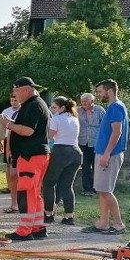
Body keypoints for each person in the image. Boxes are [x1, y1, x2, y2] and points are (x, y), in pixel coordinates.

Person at [0, 77, 51, 241]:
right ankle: (38, 226)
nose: (15, 94)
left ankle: (25, 230)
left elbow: (28, 130)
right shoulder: (34, 104)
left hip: (31, 155)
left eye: (17, 91)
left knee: (27, 192)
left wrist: (7, 124)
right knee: (34, 192)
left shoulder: (34, 105)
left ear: (25, 89)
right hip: (35, 155)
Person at [82, 79, 128, 235]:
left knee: (106, 191)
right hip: (104, 152)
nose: (99, 94)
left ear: (109, 91)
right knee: (102, 190)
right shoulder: (113, 107)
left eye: (100, 91)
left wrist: (107, 153)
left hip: (110, 154)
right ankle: (103, 223)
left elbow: (117, 132)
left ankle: (118, 224)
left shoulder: (116, 107)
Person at [42, 96, 82, 226]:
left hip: (60, 151)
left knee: (49, 182)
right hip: (75, 152)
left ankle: (48, 214)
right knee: (67, 185)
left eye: (54, 107)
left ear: (62, 107)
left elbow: (50, 136)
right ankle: (69, 216)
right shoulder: (74, 119)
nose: (52, 110)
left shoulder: (57, 119)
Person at [77, 93, 106, 196]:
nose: (84, 103)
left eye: (86, 100)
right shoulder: (78, 111)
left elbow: (105, 126)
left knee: (96, 166)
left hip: (96, 143)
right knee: (85, 166)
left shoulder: (100, 110)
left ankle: (96, 188)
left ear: (92, 101)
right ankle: (87, 189)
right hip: (83, 142)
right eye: (82, 101)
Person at [0, 92, 21, 213]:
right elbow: (1, 127)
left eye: (15, 100)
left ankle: (18, 192)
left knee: (17, 168)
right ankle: (10, 186)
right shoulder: (6, 111)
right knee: (9, 165)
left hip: (20, 140)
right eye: (12, 101)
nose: (13, 103)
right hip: (8, 139)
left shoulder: (24, 110)